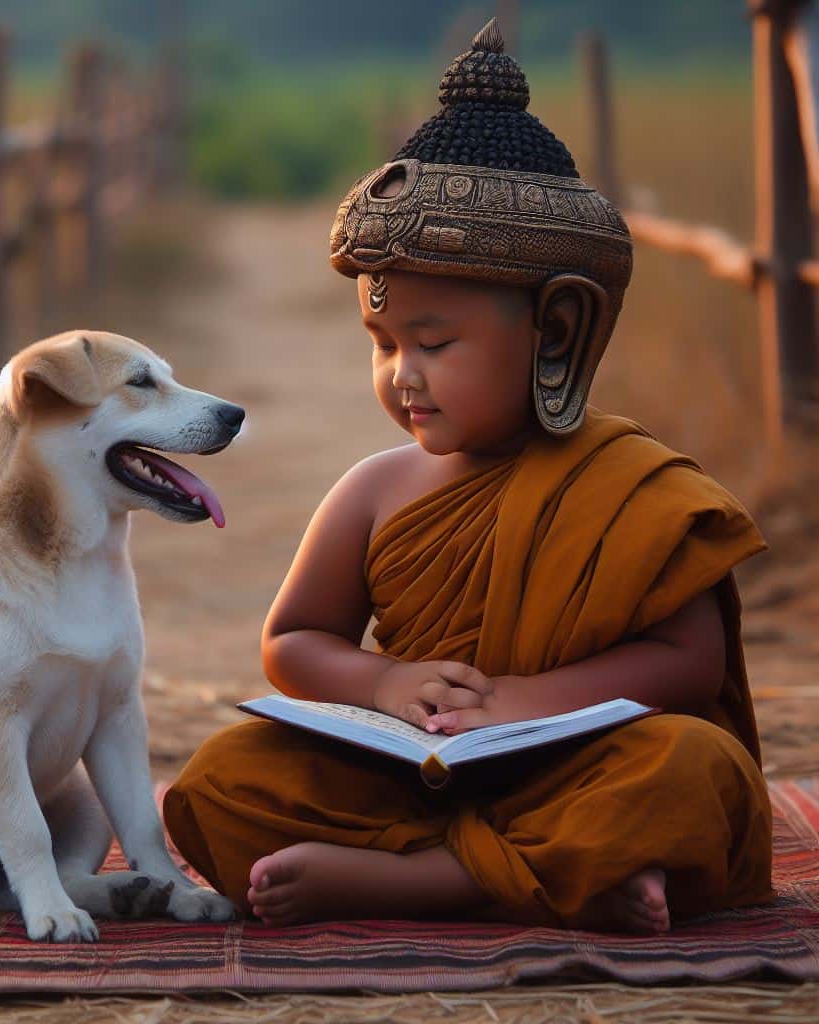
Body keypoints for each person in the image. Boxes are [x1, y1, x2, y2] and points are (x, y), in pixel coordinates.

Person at [162, 18, 773, 934]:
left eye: (435, 343)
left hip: (581, 764)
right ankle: (564, 880)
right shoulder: (374, 488)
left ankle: (423, 885)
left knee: (693, 769)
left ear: (556, 330)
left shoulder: (633, 484)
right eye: (382, 344)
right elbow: (293, 641)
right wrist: (386, 687)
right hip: (412, 777)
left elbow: (690, 663)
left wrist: (522, 705)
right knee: (224, 776)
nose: (402, 374)